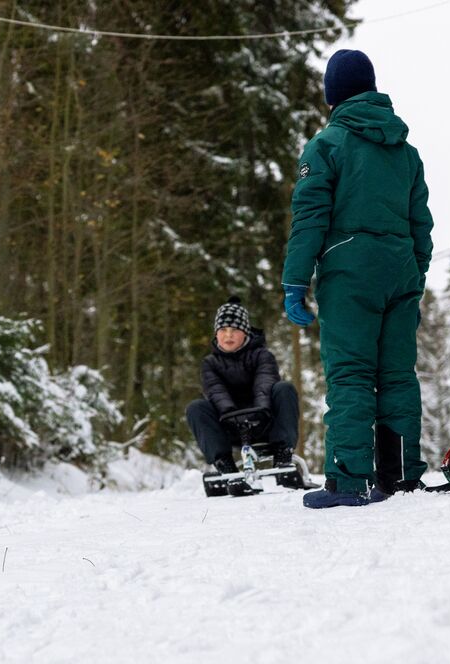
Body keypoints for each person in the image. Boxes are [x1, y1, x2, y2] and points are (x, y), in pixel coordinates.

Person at [281, 49, 432, 508]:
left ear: (334, 94)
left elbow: (310, 217)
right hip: (400, 270)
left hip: (350, 272)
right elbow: (420, 223)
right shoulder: (406, 152)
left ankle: (349, 481)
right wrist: (414, 272)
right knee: (397, 376)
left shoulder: (327, 145)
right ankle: (401, 476)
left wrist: (295, 281)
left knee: (351, 374)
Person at [185, 295, 300, 476]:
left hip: (265, 420)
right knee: (196, 407)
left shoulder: (262, 356)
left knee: (284, 389)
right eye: (223, 329)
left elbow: (265, 383)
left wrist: (259, 413)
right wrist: (232, 417)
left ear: (245, 332)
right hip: (230, 425)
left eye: (234, 330)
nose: (228, 335)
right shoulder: (210, 363)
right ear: (216, 334)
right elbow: (215, 391)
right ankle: (225, 465)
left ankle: (282, 455)